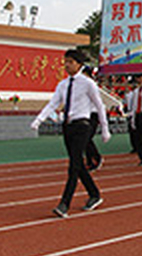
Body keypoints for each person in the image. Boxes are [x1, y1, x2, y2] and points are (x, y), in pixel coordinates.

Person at [31, 49, 110, 218]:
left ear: (79, 64)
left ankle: (64, 204)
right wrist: (39, 120)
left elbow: (99, 105)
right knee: (78, 164)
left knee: (73, 167)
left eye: (71, 62)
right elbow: (53, 104)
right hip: (68, 126)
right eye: (65, 62)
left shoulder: (88, 83)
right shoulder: (63, 84)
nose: (67, 65)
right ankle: (94, 194)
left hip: (82, 125)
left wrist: (105, 128)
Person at [81, 66, 104, 172]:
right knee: (84, 139)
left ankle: (97, 158)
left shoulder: (91, 85)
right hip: (85, 114)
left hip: (93, 114)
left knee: (87, 138)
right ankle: (89, 160)